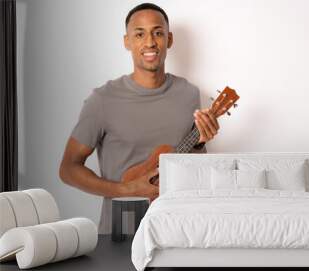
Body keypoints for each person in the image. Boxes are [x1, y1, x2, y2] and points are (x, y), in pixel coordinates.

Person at [59, 3, 219, 234]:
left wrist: (201, 141)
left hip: (177, 228)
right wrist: (126, 189)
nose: (150, 42)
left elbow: (194, 169)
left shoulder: (189, 94)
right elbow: (68, 169)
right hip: (122, 230)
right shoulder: (103, 99)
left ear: (169, 39)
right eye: (139, 34)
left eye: (158, 32)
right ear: (127, 42)